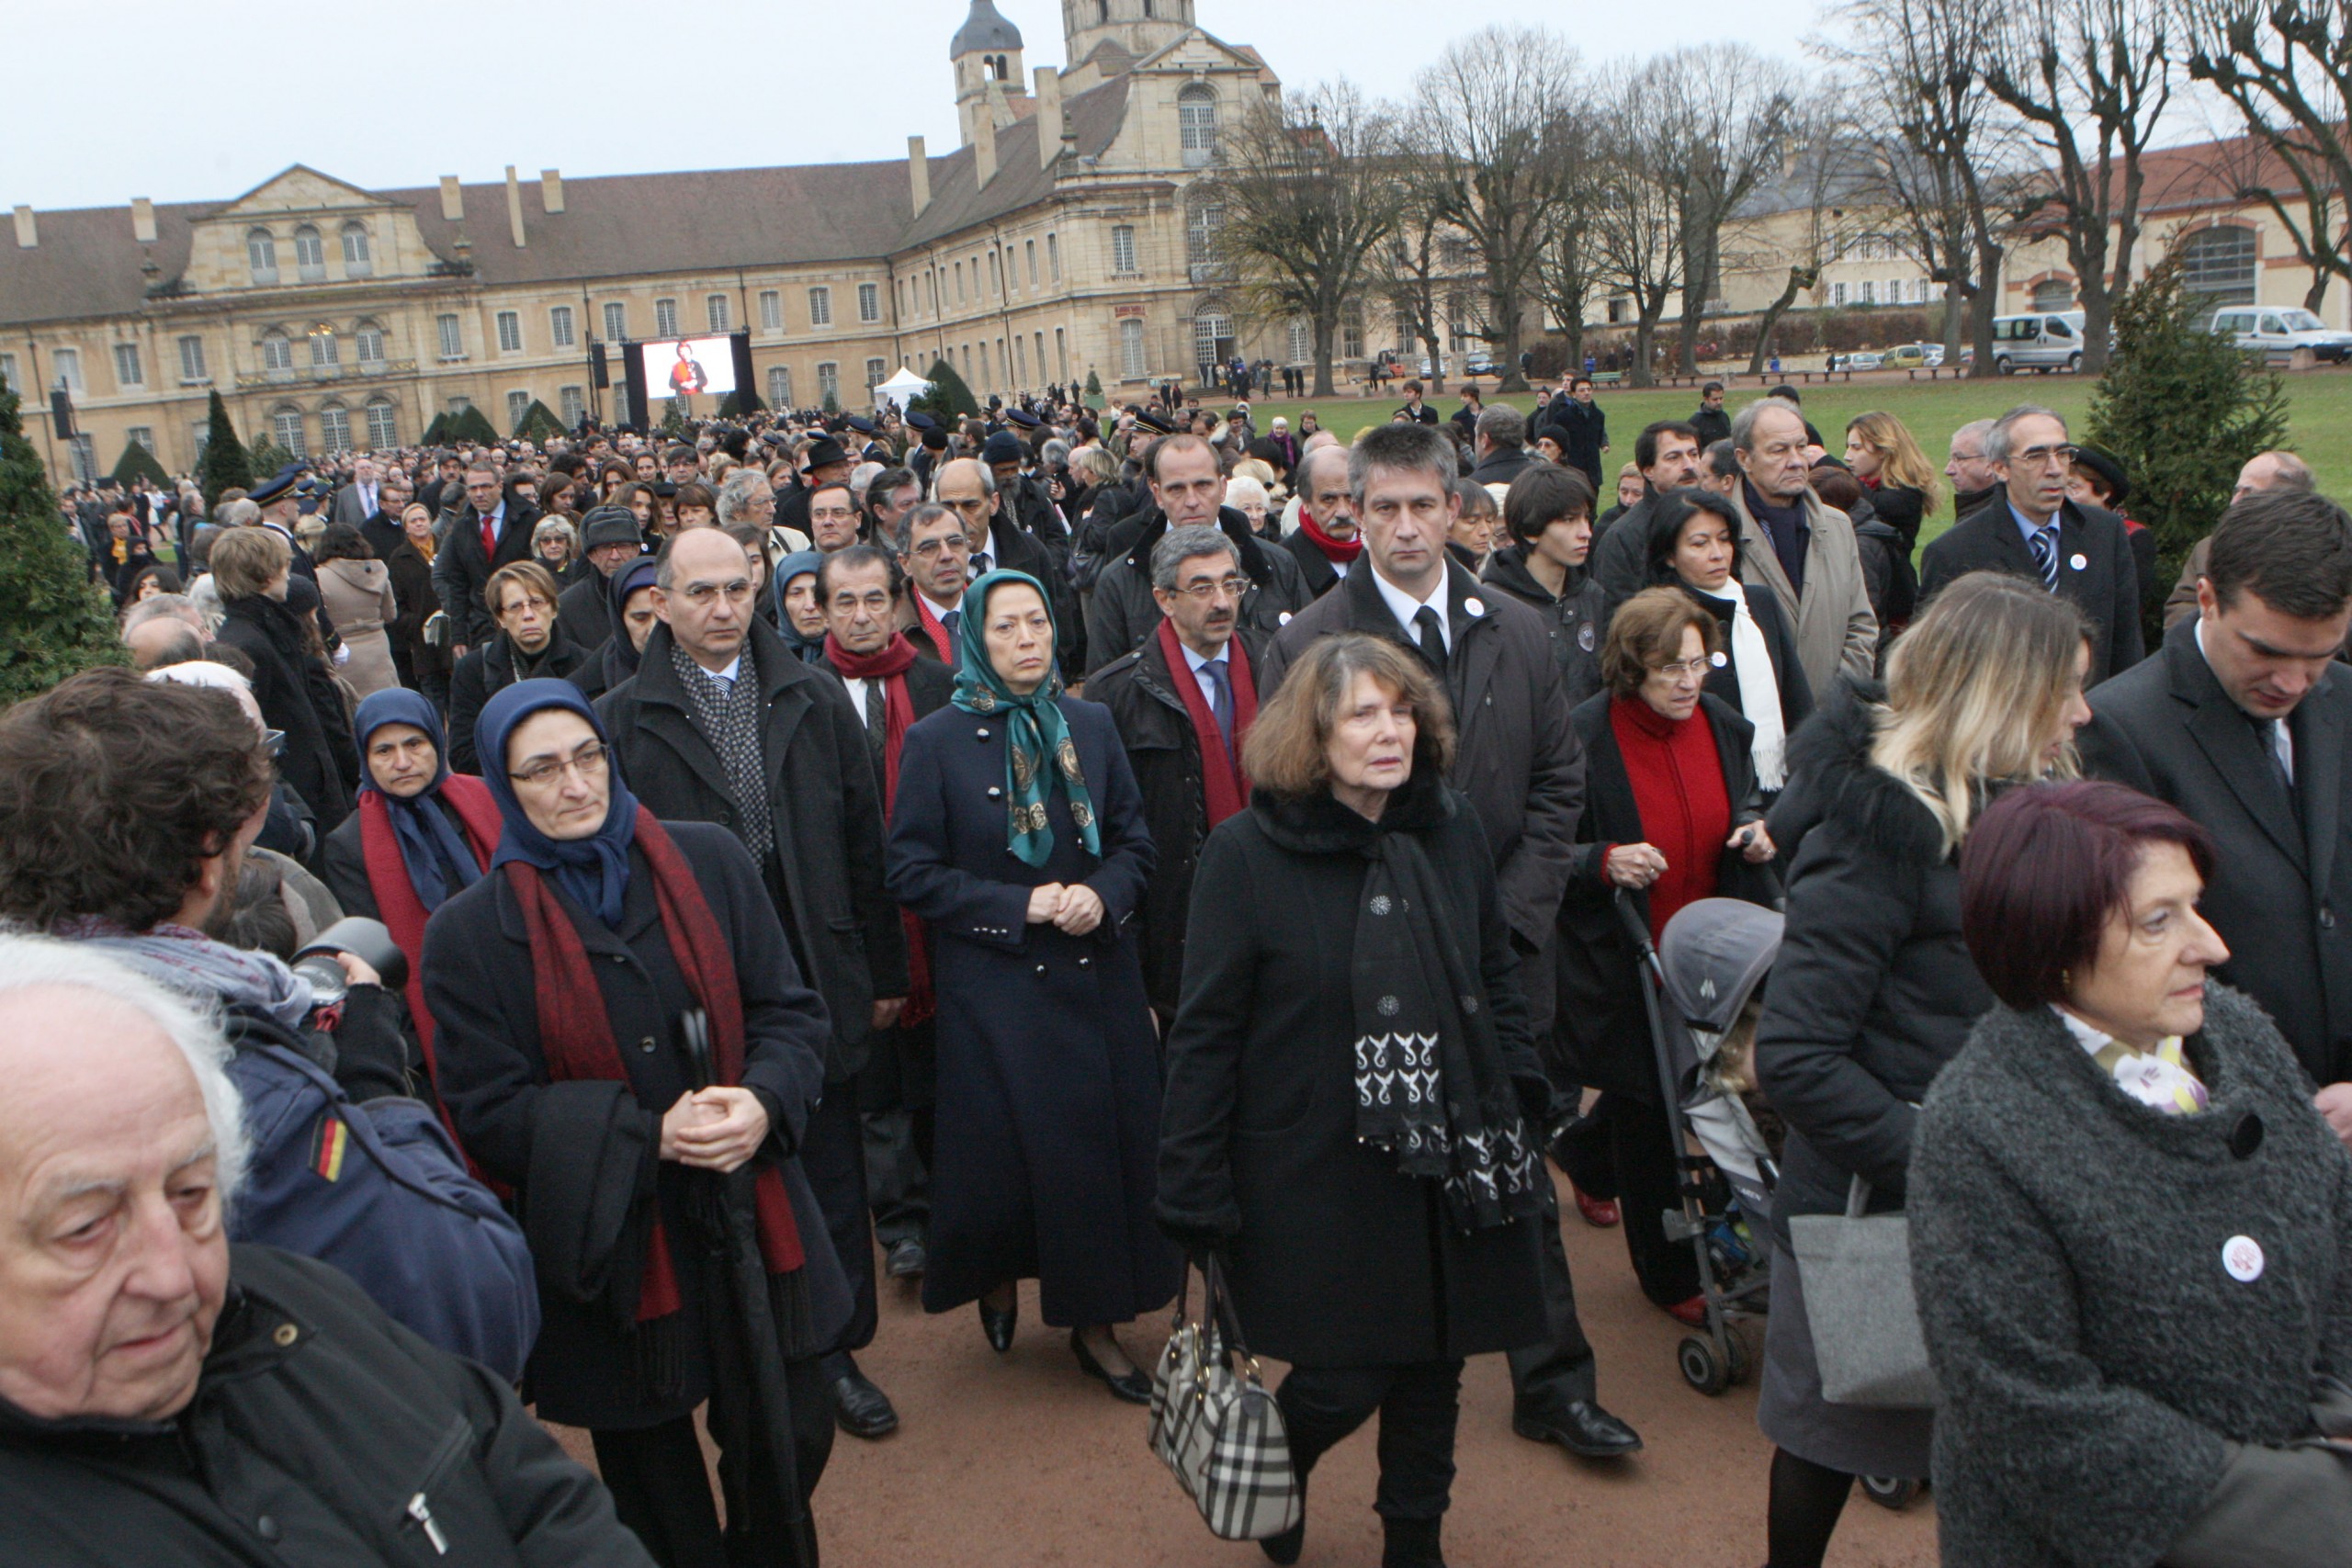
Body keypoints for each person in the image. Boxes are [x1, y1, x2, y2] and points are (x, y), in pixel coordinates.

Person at [0, 936, 655, 1567]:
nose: (176, 1275)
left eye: (191, 1192)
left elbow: (535, 1495)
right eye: (86, 1226)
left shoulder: (305, 1303)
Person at [1261, 422, 1641, 1464]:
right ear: (1352, 515)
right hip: (1369, 975)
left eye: (1421, 504)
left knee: (1516, 1168)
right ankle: (1340, 1392)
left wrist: (1508, 916)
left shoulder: (1515, 629)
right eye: (1378, 507)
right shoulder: (1305, 645)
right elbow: (1286, 806)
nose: (1401, 526)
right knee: (1373, 1190)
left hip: (1503, 960)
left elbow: (1560, 781)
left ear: (1455, 509)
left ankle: (1553, 1383)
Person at [0, 669, 538, 1379]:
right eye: (241, 846)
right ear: (206, 863)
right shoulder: (246, 1093)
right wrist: (373, 1088)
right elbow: (473, 1303)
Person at [424, 680, 848, 1566]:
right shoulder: (467, 934)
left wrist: (763, 1098)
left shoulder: (711, 860)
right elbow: (486, 1110)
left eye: (588, 758)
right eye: (540, 770)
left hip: (752, 1206)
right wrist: (645, 1135)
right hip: (617, 1250)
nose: (575, 785)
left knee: (793, 1425)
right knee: (654, 1484)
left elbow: (791, 1013)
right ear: (503, 787)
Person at [1158, 633, 1554, 1568]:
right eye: (1363, 714)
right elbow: (1204, 1031)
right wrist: (1191, 1181)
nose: (1391, 731)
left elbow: (1495, 973)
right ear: (1314, 736)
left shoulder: (1448, 829)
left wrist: (1519, 1090)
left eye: (1402, 709)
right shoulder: (1244, 854)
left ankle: (1414, 1540)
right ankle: (1282, 1464)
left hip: (1455, 1150)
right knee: (1344, 1373)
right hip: (1312, 1165)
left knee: (1436, 1362)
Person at [1905, 779, 2352, 1566]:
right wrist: (2312, 1507)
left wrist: (2335, 1413)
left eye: (2195, 905)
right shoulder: (1978, 1129)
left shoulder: (2235, 1029)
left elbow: (2337, 1221)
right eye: (2158, 920)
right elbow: (2032, 1413)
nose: (2211, 945)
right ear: (2053, 943)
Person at [1750, 573, 2095, 1568]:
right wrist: (1955, 1163)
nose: (2080, 712)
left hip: (2017, 1201)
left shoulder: (2045, 813)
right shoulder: (1873, 839)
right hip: (1877, 1202)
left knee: (1993, 1448)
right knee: (1833, 1435)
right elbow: (1798, 1058)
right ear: (1994, 694)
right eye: (2060, 690)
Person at [596, 525, 910, 1439]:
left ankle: (838, 1344)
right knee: (724, 1175)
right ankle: (750, 1346)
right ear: (660, 603)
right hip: (698, 985)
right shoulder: (621, 718)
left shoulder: (810, 695)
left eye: (739, 588)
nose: (725, 609)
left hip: (818, 959)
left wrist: (882, 970)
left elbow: (864, 842)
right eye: (702, 594)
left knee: (831, 1169)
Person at [884, 570, 1177, 1400]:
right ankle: (997, 1273)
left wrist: (1104, 893)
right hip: (995, 983)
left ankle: (1097, 1326)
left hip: (1096, 975)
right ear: (977, 637)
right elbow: (910, 869)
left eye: (1039, 623)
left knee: (1100, 1155)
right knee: (1003, 1158)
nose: (1027, 639)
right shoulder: (938, 739)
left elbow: (1133, 842)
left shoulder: (1089, 721)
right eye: (1007, 626)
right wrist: (1019, 905)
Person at [2079, 489, 2352, 1135]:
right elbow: (2127, 955)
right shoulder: (2121, 729)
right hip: (2223, 1119)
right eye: (2265, 651)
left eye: (2318, 656)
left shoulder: (2345, 703)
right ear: (2206, 598)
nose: (2291, 681)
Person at [1552, 589, 1780, 1317]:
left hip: (1713, 951)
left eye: (1697, 662)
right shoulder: (1583, 738)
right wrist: (1604, 858)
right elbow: (1545, 845)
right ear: (1628, 670)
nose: (1689, 682)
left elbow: (1742, 800)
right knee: (1652, 1103)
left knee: (1668, 1084)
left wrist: (1755, 829)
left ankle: (1585, 1155)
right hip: (1627, 952)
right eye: (1668, 669)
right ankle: (1669, 1274)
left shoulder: (1722, 723)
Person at [816, 544, 957, 1283]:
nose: (864, 616)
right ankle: (900, 1220)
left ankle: (952, 1207)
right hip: (850, 914)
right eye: (847, 602)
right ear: (821, 609)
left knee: (939, 1071)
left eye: (875, 599)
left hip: (936, 912)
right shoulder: (804, 695)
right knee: (874, 1082)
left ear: (897, 601)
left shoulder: (939, 684)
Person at [1088, 525, 1268, 1023]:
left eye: (1231, 585)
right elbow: (1109, 832)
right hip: (1175, 923)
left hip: (1274, 899)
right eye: (1202, 587)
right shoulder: (1119, 693)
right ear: (1164, 599)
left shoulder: (1276, 663)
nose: (1222, 602)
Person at [320, 690, 500, 1085]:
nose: (402, 762)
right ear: (365, 758)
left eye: (414, 744)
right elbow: (379, 954)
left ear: (438, 741)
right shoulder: (351, 844)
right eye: (384, 751)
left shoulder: (486, 801)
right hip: (437, 1020)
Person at [1918, 403, 2143, 684]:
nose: (2054, 469)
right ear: (2000, 468)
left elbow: (2126, 645)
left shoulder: (2105, 532)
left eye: (2062, 454)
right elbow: (1937, 667)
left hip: (2091, 718)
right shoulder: (1955, 552)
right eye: (2035, 456)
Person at [1084, 434, 1308, 676]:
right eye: (1177, 489)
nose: (1192, 501)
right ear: (1157, 494)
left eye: (1203, 486)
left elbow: (1310, 664)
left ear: (1222, 487)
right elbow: (1106, 688)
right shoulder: (1119, 580)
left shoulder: (1277, 565)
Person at [1645, 490, 1812, 792]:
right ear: (1669, 555)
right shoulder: (1656, 619)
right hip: (1704, 787)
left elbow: (1796, 699)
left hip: (1777, 785)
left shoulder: (1758, 603)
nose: (1718, 553)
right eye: (1699, 543)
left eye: (1724, 539)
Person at [1716, 398, 1878, 703]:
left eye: (1801, 447)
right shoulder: (1718, 534)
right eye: (1779, 450)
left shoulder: (1838, 526)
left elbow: (1861, 625)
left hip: (1829, 726)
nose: (1795, 461)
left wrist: (1835, 705)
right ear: (1744, 458)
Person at [208, 525, 359, 829]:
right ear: (265, 575)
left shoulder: (271, 629)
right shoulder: (246, 645)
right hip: (301, 800)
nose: (289, 575)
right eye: (284, 566)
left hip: (316, 789)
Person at [1483, 462, 1605, 710]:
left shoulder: (1593, 596)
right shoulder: (1493, 607)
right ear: (1531, 530)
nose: (1586, 532)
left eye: (1586, 518)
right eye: (1569, 520)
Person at [448, 561, 589, 774]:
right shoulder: (473, 670)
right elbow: (462, 754)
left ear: (553, 609)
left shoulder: (583, 663)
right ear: (500, 618)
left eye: (537, 602)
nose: (528, 615)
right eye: (515, 607)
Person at [2161, 449, 2317, 629]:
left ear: (2286, 500)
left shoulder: (2321, 551)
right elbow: (2179, 613)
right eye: (2236, 491)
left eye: (2248, 492)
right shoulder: (2207, 550)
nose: (2234, 502)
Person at [1588, 422, 1705, 617]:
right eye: (1674, 457)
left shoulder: (1716, 519)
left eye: (1693, 454)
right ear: (1648, 471)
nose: (1689, 465)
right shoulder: (1622, 537)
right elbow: (1615, 619)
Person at [432, 461, 541, 657]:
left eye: (485, 486)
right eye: (473, 488)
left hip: (525, 619)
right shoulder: (461, 527)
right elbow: (458, 584)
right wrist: (459, 636)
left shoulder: (530, 520)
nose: (479, 493)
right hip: (481, 625)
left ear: (500, 486)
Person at [313, 521, 401, 700]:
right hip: (378, 650)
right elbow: (390, 615)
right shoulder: (378, 571)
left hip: (343, 653)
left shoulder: (319, 577)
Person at [1840, 412, 1939, 559]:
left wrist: (1830, 467)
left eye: (1856, 448)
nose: (1847, 456)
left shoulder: (1908, 494)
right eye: (1848, 447)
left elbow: (1875, 504)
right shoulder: (1865, 485)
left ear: (1882, 450)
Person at [560, 502, 652, 655]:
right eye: (605, 548)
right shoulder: (569, 608)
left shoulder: (658, 593)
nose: (615, 556)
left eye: (623, 546)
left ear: (636, 549)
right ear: (591, 555)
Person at [387, 500, 451, 706]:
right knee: (434, 698)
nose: (419, 524)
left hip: (453, 633)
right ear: (406, 527)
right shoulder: (399, 558)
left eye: (422, 519)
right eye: (413, 521)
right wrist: (415, 625)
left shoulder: (448, 547)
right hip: (423, 641)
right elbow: (396, 603)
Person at [574, 557, 663, 704]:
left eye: (662, 617)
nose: (654, 629)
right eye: (640, 618)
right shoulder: (592, 687)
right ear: (620, 621)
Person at [1281, 445, 1361, 601]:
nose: (1342, 512)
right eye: (1328, 499)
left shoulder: (1381, 554)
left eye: (1350, 497)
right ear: (1305, 502)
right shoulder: (1283, 564)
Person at [1545, 376, 1608, 490]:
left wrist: (1604, 444)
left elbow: (1598, 438)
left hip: (1593, 474)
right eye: (1582, 390)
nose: (1586, 393)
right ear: (1574, 394)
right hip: (1572, 472)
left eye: (1589, 389)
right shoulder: (1562, 417)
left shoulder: (1599, 415)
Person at [1943, 417, 1999, 521]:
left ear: (1991, 465)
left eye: (1959, 459)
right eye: (1951, 459)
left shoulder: (1995, 521)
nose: (1948, 470)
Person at [1690, 381, 1731, 447]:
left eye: (1721, 398)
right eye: (1715, 399)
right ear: (1705, 399)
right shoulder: (1695, 421)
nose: (1719, 402)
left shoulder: (1724, 416)